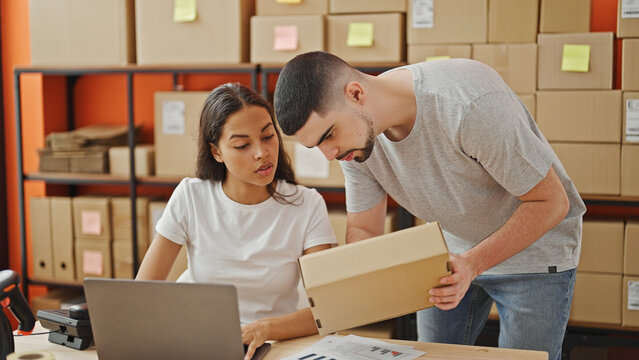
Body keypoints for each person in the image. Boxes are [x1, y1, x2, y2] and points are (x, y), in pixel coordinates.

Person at [273, 51, 586, 360]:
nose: (329, 154)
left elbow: (551, 202)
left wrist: (473, 264)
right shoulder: (352, 143)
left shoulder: (467, 105)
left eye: (329, 135)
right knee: (430, 356)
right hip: (450, 252)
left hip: (533, 250)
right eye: (317, 146)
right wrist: (373, 278)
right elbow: (364, 228)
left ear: (355, 94)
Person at [136, 83, 336, 360]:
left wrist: (264, 329)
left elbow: (328, 308)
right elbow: (142, 292)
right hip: (201, 342)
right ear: (216, 151)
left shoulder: (307, 204)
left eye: (268, 137)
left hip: (278, 345)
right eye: (242, 145)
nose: (261, 153)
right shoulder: (191, 196)